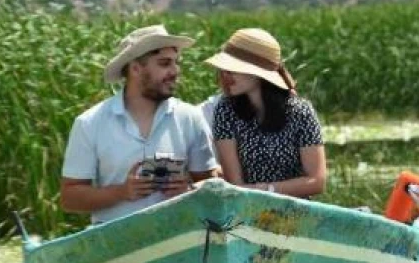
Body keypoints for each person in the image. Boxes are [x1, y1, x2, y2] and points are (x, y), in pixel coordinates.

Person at [60, 25, 218, 223]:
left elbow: (213, 185)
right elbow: (69, 198)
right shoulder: (90, 123)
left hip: (177, 242)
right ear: (135, 68)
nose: (175, 71)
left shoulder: (190, 118)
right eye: (164, 63)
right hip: (113, 245)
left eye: (176, 63)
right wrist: (121, 192)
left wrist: (188, 190)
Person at [203, 28, 326, 198]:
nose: (224, 76)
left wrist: (266, 190)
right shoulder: (225, 110)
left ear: (258, 73)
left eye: (232, 69)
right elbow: (235, 185)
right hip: (247, 209)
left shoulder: (301, 112)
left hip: (296, 211)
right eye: (223, 69)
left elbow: (316, 181)